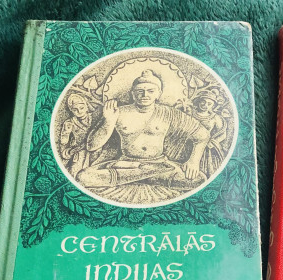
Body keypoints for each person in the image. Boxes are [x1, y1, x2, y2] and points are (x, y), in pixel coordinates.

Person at [77, 70, 210, 200]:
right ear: (133, 93)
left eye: (151, 91)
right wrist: (109, 122)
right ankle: (145, 175)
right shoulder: (118, 112)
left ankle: (136, 176)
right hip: (126, 164)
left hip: (158, 164)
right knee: (83, 177)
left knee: (199, 179)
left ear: (159, 93)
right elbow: (91, 146)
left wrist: (193, 161)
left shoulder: (169, 113)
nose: (145, 95)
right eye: (140, 91)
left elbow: (203, 135)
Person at [191, 86, 227, 177]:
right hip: (189, 145)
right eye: (203, 102)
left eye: (209, 103)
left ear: (213, 106)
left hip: (206, 148)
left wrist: (212, 143)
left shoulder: (215, 118)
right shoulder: (190, 113)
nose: (205, 105)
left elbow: (222, 134)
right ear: (199, 101)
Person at [59, 92, 96, 177]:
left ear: (86, 106)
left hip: (97, 153)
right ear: (71, 110)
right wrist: (66, 133)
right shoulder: (69, 123)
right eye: (75, 109)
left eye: (81, 107)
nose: (79, 111)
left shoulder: (95, 117)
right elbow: (64, 150)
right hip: (79, 156)